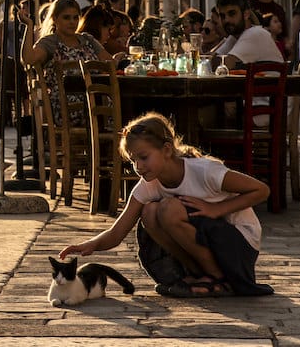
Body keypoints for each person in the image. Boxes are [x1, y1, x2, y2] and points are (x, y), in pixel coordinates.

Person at [58, 112, 273, 297]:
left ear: (167, 150)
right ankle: (199, 274)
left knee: (168, 209)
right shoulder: (148, 185)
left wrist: (217, 209)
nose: (138, 166)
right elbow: (118, 232)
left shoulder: (205, 171)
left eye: (144, 157)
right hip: (209, 242)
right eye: (133, 161)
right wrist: (91, 245)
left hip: (239, 246)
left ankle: (220, 278)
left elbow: (261, 190)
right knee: (150, 212)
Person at [18, 0, 116, 126]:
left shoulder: (87, 40)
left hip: (95, 99)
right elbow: (29, 59)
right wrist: (29, 26)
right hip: (65, 105)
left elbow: (109, 63)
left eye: (75, 17)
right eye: (66, 17)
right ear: (55, 19)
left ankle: (109, 143)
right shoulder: (50, 42)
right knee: (109, 110)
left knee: (122, 107)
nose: (72, 22)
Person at [212, 0, 283, 69]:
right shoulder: (235, 37)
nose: (226, 20)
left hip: (272, 81)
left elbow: (225, 65)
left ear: (246, 14)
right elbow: (212, 62)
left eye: (232, 14)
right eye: (222, 16)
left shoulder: (255, 34)